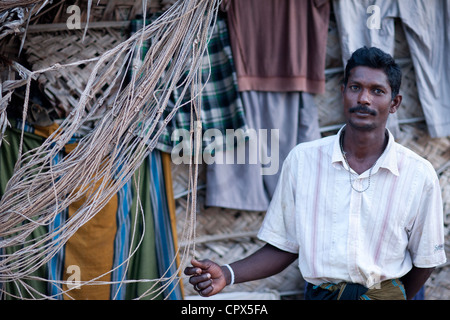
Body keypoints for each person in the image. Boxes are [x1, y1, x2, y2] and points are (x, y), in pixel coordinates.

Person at [184, 47, 447, 300]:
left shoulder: (417, 175)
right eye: (355, 87)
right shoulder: (303, 160)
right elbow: (284, 245)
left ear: (394, 103)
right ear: (343, 92)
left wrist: (393, 298)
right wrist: (227, 274)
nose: (364, 98)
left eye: (377, 91)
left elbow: (425, 260)